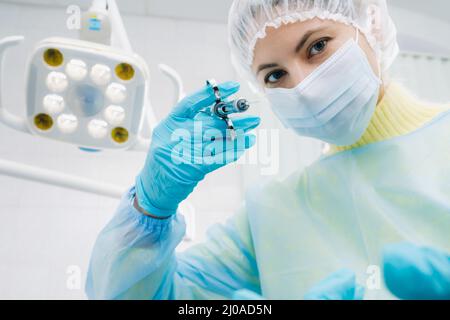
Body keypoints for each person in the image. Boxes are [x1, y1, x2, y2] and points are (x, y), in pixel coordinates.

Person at [86, 0, 450, 300]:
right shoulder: (269, 214)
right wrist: (150, 205)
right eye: (275, 75)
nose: (303, 87)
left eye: (317, 47)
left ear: (370, 25)